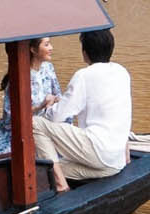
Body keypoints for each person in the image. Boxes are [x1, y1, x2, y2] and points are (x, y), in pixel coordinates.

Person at [31, 28, 132, 192]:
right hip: (115, 162)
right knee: (46, 171)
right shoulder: (122, 72)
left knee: (35, 123)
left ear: (85, 52)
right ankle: (59, 179)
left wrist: (48, 108)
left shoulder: (84, 76)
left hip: (98, 153)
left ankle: (60, 185)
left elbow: (59, 115)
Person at [0, 36, 63, 156]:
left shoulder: (48, 68)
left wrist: (55, 100)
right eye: (47, 44)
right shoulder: (18, 76)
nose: (51, 48)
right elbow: (9, 119)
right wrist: (40, 106)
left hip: (43, 128)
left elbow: (59, 96)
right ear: (33, 49)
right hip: (16, 134)